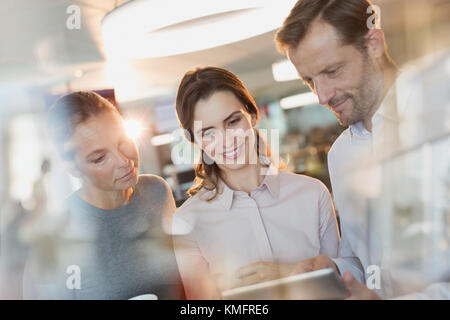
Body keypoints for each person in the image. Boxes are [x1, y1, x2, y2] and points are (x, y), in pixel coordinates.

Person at [275, 0, 449, 299]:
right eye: (309, 80)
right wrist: (333, 267)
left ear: (374, 44)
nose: (320, 95)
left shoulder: (439, 121)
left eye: (332, 70)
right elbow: (366, 261)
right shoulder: (340, 154)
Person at [171, 67, 340, 299]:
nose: (226, 140)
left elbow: (340, 289)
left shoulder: (312, 194)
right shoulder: (187, 222)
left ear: (252, 115)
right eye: (208, 132)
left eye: (232, 122)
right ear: (194, 140)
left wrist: (288, 275)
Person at [23, 91, 183, 299]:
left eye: (123, 141)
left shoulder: (157, 191)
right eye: (99, 158)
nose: (123, 161)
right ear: (72, 168)